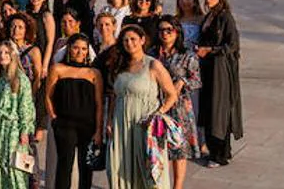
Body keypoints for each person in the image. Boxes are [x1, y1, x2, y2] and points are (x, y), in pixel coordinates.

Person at [104, 26, 179, 189]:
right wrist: (109, 121)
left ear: (142, 40)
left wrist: (157, 115)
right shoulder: (119, 64)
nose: (129, 43)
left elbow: (172, 94)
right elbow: (115, 96)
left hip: (145, 124)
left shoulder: (153, 65)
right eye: (125, 40)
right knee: (116, 168)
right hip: (121, 123)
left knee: (147, 171)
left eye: (133, 39)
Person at [44, 34, 103, 189]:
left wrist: (98, 130)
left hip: (87, 125)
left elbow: (99, 104)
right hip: (64, 124)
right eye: (76, 48)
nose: (79, 52)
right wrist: (54, 118)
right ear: (69, 49)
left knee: (86, 168)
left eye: (84, 49)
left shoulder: (94, 73)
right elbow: (48, 96)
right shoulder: (58, 69)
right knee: (65, 166)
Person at [195, 0, 242, 167]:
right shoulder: (210, 16)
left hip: (220, 68)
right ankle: (218, 150)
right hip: (207, 67)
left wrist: (211, 50)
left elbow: (233, 45)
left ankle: (219, 154)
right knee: (209, 106)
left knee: (218, 109)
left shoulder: (225, 17)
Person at [0, 40, 40, 189]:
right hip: (0, 130)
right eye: (0, 53)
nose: (2, 56)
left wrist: (25, 130)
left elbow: (26, 107)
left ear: (13, 56)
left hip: (15, 130)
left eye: (6, 53)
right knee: (0, 166)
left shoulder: (20, 79)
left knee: (15, 168)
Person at [155, 16, 201, 183]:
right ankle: (162, 184)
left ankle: (178, 186)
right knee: (159, 147)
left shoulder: (187, 55)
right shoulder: (152, 53)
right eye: (161, 30)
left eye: (169, 30)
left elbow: (196, 80)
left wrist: (182, 82)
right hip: (157, 105)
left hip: (180, 107)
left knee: (179, 149)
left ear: (177, 32)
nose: (165, 34)